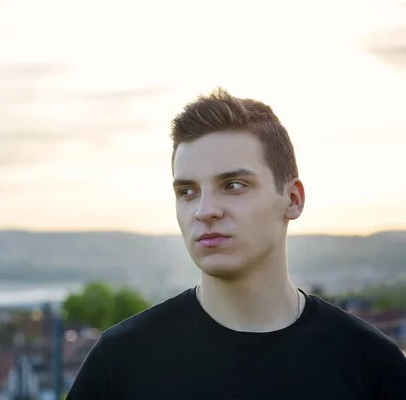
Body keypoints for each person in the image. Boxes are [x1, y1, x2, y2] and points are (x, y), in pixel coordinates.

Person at [66, 88, 406, 399]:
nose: (205, 211)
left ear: (292, 199)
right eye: (187, 191)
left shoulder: (372, 366)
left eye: (233, 185)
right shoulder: (121, 362)